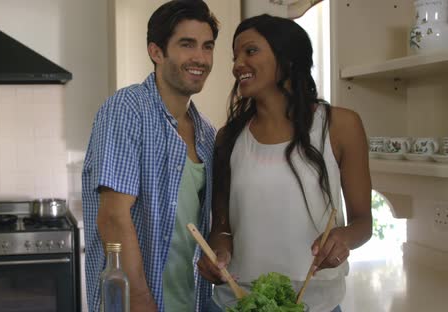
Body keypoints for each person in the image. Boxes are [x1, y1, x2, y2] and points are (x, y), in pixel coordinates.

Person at [198, 14, 373, 312]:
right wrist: (219, 255)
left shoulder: (341, 126)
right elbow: (223, 224)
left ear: (287, 58)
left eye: (250, 51)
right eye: (235, 56)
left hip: (318, 302)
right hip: (238, 301)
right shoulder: (228, 138)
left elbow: (363, 223)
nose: (237, 64)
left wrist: (342, 238)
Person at [81, 1, 220, 311]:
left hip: (189, 301)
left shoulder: (207, 133)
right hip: (138, 304)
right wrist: (141, 301)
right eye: (187, 45)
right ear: (156, 52)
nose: (200, 57)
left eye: (207, 46)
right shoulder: (127, 109)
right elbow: (113, 217)